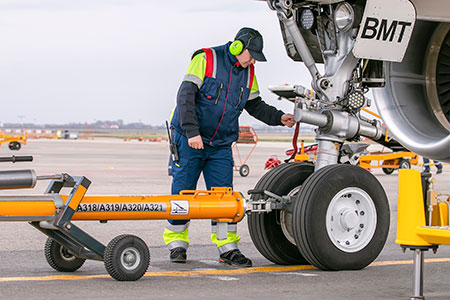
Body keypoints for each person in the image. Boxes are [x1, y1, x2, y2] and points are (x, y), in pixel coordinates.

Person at [165, 27, 295, 267]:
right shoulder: (206, 59)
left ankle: (227, 248)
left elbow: (255, 106)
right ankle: (176, 244)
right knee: (183, 193)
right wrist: (193, 132)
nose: (253, 60)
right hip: (190, 139)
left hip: (221, 145)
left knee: (224, 198)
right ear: (238, 47)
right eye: (252, 54)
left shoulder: (248, 72)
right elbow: (185, 97)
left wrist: (279, 117)